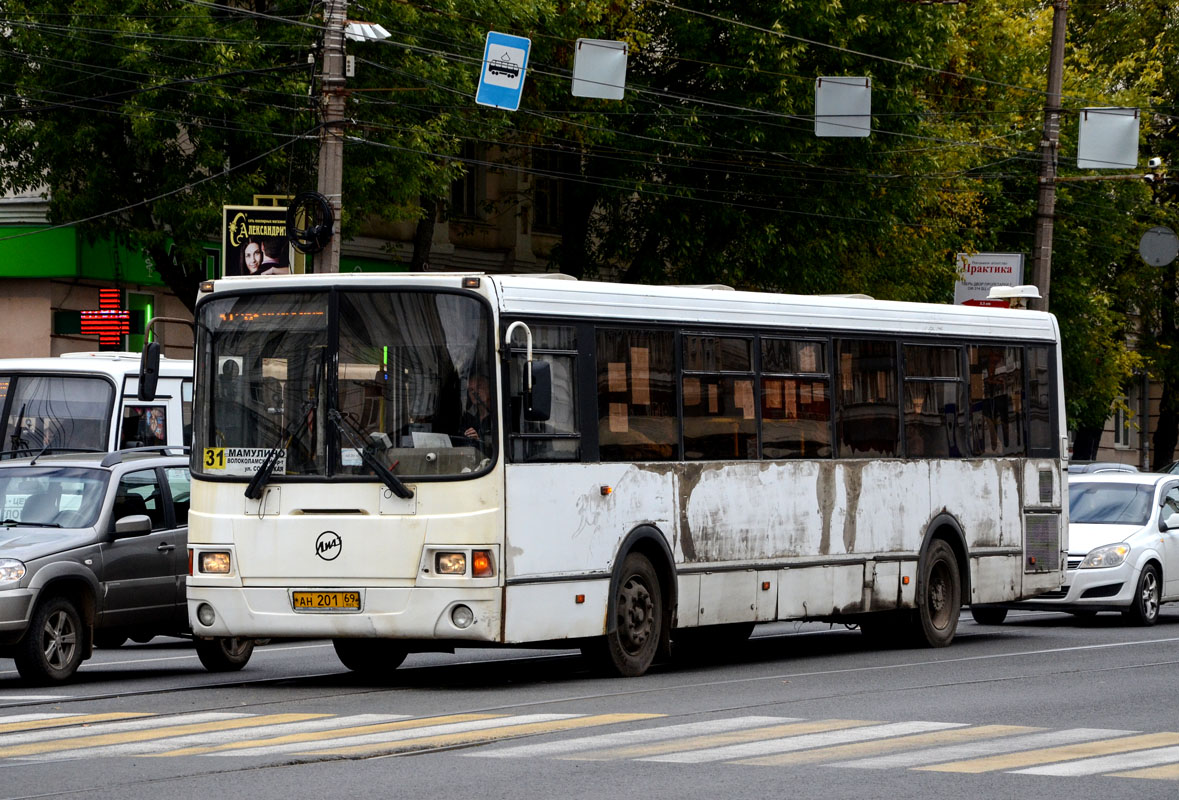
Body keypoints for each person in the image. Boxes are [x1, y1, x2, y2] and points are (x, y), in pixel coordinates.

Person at [459, 374, 492, 445]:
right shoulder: (467, 418)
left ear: (489, 388)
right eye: (471, 389)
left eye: (479, 387)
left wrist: (479, 442)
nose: (474, 392)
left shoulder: (499, 418)